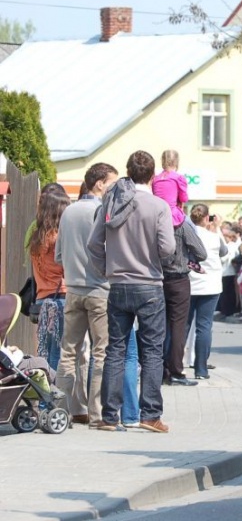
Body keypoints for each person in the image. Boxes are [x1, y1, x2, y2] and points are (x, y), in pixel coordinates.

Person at [87, 150, 176, 432]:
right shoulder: (158, 206)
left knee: (115, 349)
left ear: (127, 171)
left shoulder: (110, 204)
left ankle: (110, 416)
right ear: (152, 175)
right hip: (149, 284)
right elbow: (167, 248)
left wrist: (106, 269)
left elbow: (93, 244)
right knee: (151, 351)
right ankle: (150, 415)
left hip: (118, 284)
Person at [55, 162, 118, 425]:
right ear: (100, 183)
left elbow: (59, 255)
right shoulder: (103, 211)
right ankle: (97, 414)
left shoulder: (68, 211)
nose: (115, 188)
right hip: (100, 290)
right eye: (112, 183)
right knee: (101, 352)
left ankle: (60, 409)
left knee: (68, 351)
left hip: (73, 290)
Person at [160, 200, 207, 387]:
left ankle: (160, 370)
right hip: (179, 280)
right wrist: (189, 258)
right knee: (178, 327)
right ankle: (176, 372)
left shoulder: (155, 223)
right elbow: (202, 253)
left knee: (159, 327)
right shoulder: (182, 225)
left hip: (157, 279)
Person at [28, 183, 70, 370]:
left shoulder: (36, 236)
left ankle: (43, 397)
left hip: (42, 299)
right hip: (59, 296)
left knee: (44, 351)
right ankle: (50, 398)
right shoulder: (57, 237)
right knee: (57, 355)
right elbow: (65, 267)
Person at [187, 204, 226, 380]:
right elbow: (224, 253)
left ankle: (175, 366)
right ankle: (201, 369)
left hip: (189, 285)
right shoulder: (214, 238)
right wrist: (217, 228)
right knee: (204, 327)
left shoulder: (187, 234)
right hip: (210, 286)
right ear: (206, 218)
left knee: (183, 326)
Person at [152, 150, 189, 227]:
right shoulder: (178, 178)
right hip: (172, 216)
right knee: (193, 228)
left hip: (156, 216)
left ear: (162, 161)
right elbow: (184, 199)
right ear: (177, 162)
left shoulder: (156, 179)